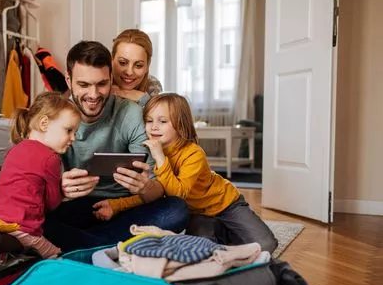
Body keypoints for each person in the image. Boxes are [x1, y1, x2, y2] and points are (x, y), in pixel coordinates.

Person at [42, 41, 189, 253]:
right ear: (68, 80)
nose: (93, 95)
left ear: (111, 79)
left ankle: (86, 246)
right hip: (77, 205)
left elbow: (156, 187)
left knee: (176, 210)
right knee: (38, 220)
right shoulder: (54, 117)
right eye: (83, 85)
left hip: (125, 205)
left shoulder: (131, 115)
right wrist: (59, 188)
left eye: (101, 84)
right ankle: (117, 245)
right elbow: (36, 184)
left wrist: (145, 187)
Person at [94, 93, 278, 253]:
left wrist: (161, 159)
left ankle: (229, 230)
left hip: (226, 204)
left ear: (180, 127)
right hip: (197, 213)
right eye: (149, 121)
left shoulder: (193, 153)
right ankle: (221, 232)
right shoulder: (152, 155)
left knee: (266, 245)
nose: (153, 127)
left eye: (162, 121)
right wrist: (116, 204)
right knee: (201, 250)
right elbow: (151, 193)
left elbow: (178, 194)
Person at [0, 92, 81, 258]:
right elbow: (52, 204)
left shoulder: (15, 150)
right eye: (69, 130)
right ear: (44, 123)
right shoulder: (50, 158)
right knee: (58, 257)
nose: (73, 138)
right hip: (23, 229)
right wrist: (63, 191)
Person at [111, 29, 163, 107]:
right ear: (111, 60)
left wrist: (122, 92)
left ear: (147, 66)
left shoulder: (153, 85)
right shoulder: (99, 81)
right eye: (122, 63)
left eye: (138, 65)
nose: (129, 72)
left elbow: (157, 113)